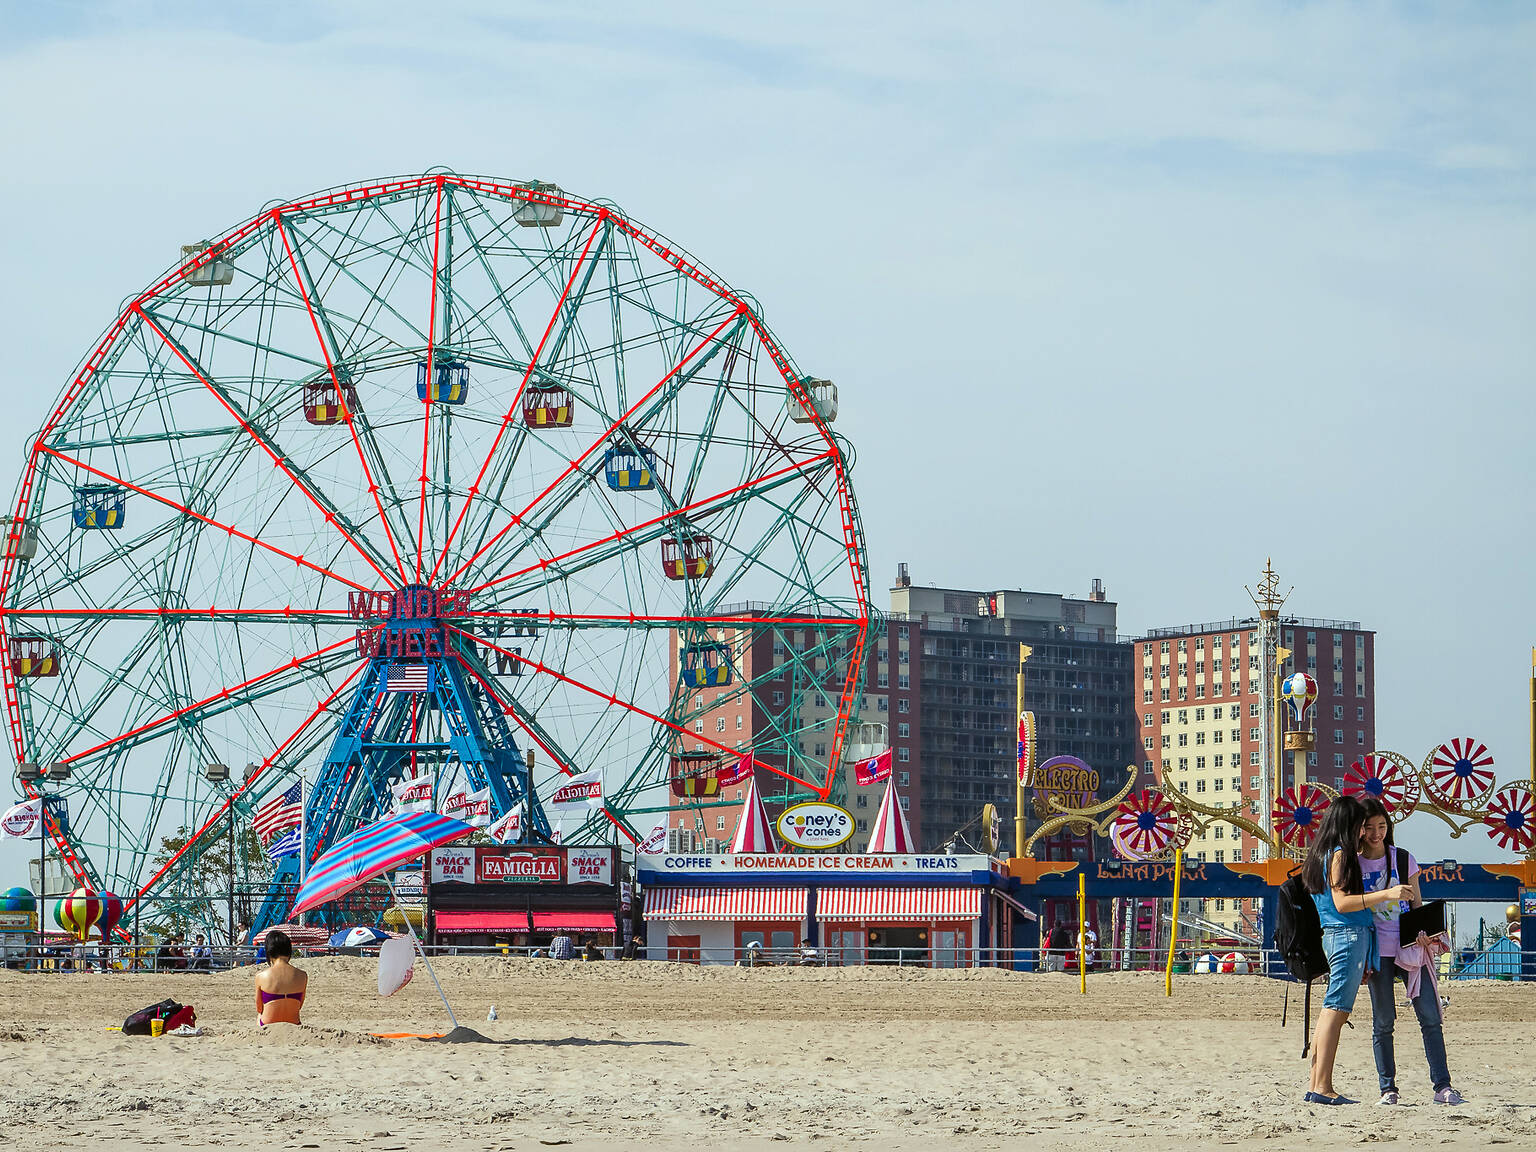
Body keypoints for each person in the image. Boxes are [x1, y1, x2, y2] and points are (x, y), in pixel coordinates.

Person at [1302, 795, 1412, 1105]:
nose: (1364, 833)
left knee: (1330, 1011)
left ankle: (1316, 1084)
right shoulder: (1338, 854)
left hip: (1337, 936)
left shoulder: (1319, 853)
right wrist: (1386, 894)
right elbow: (1342, 903)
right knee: (1336, 1011)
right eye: (1361, 826)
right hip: (1347, 935)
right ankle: (1323, 1087)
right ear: (1348, 825)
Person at [1357, 798, 1463, 1105]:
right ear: (1359, 829)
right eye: (1369, 827)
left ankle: (1443, 1087)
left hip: (1411, 951)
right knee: (1383, 1021)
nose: (1376, 833)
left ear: (1388, 827)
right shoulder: (1352, 862)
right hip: (1378, 952)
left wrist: (1424, 934)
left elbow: (1417, 907)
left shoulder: (1403, 859)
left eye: (1382, 826)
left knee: (1430, 1015)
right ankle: (1387, 1088)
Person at [254, 930, 307, 1027]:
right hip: (294, 1024)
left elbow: (259, 1008)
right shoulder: (303, 975)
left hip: (268, 1025)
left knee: (259, 1015)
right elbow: (299, 1006)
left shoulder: (261, 976)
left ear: (269, 951)